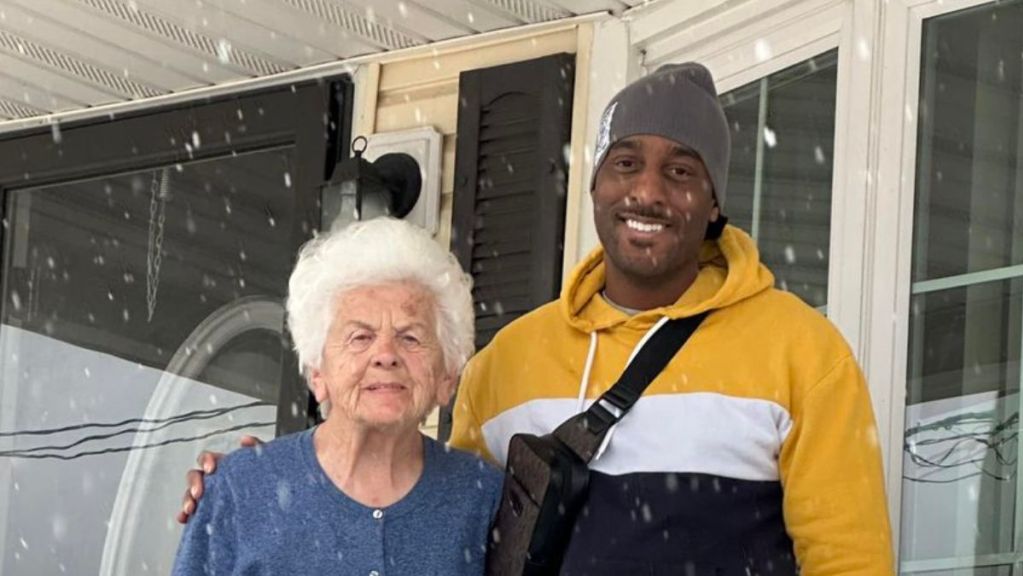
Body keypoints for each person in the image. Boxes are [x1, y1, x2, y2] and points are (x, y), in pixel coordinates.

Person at [181, 62, 894, 575]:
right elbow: (430, 503)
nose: (647, 190)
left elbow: (850, 561)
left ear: (713, 203)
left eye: (681, 172)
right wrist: (267, 480)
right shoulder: (507, 363)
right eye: (626, 163)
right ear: (595, 184)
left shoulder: (801, 353)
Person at [171, 218, 501, 576]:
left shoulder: (483, 499)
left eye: (410, 337)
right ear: (317, 372)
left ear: (447, 376)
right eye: (360, 337)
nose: (385, 354)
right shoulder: (239, 489)